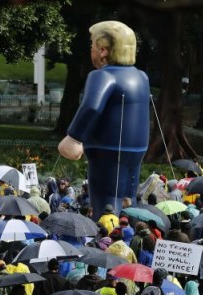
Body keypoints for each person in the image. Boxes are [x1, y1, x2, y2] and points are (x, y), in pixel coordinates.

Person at [58, 21, 150, 218]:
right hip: (136, 150)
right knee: (128, 199)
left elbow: (91, 106)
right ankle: (129, 231)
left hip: (105, 150)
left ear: (103, 51)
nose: (90, 50)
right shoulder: (142, 77)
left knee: (105, 198)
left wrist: (74, 137)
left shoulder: (101, 76)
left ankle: (107, 235)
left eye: (92, 45)